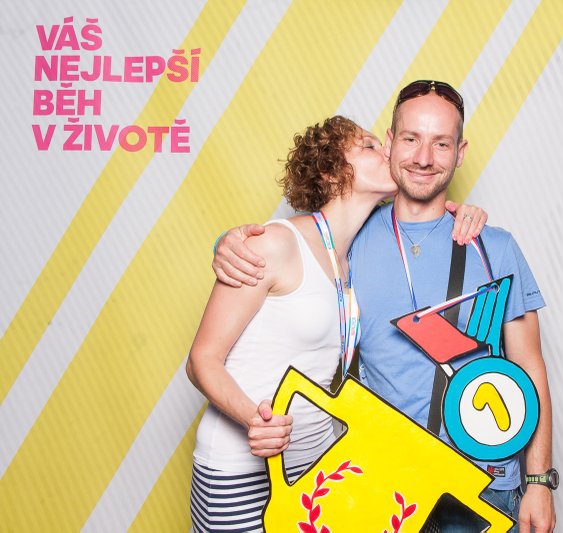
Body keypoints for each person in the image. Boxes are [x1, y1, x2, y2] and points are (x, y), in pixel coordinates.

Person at [214, 81, 556, 533]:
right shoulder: (348, 243)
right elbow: (289, 252)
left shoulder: (493, 246)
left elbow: (530, 366)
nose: (423, 157)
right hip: (385, 480)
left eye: (441, 143)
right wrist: (228, 244)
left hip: (482, 486)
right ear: (391, 143)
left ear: (460, 153)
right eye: (411, 139)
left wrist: (539, 481)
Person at [186, 114, 487, 532]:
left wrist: (464, 213)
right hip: (239, 467)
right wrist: (252, 419)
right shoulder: (275, 243)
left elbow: (425, 214)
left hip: (313, 468)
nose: (386, 152)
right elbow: (201, 360)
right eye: (369, 146)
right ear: (330, 172)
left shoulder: (354, 255)